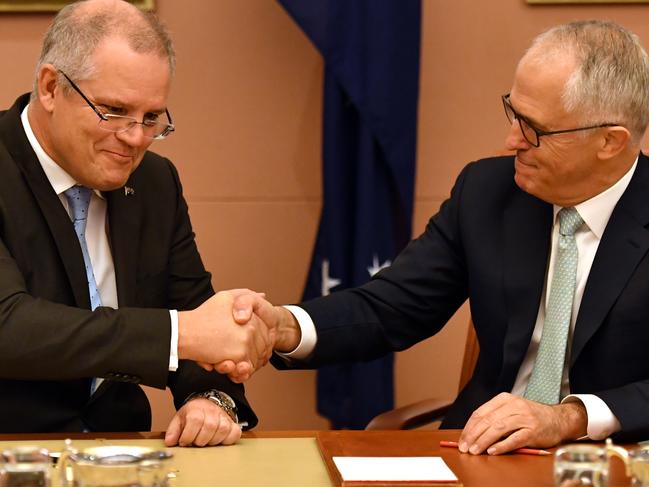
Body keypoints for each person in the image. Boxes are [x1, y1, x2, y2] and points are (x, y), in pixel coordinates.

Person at [225, 20, 649, 453]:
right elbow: (393, 307)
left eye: (534, 130)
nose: (510, 141)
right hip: (482, 455)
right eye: (513, 114)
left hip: (617, 458)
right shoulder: (488, 191)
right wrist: (286, 327)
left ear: (610, 142)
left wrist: (571, 416)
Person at [0, 0, 275, 446]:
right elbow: (9, 327)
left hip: (124, 456)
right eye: (113, 110)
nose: (133, 138)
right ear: (51, 88)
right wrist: (182, 333)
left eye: (151, 119)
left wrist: (211, 398)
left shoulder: (154, 182)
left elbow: (195, 318)